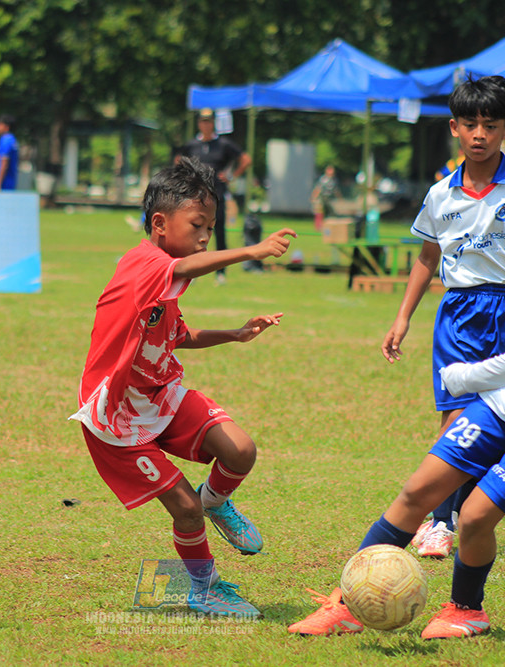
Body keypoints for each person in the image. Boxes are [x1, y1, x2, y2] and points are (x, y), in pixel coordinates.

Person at [290, 136, 505, 639]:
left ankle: (466, 609)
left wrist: (471, 377)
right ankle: (345, 603)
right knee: (418, 491)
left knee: (475, 516)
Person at [70, 157, 295, 618]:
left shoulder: (165, 274)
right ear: (159, 223)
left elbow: (179, 337)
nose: (205, 236)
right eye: (198, 224)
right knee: (184, 508)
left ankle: (218, 502)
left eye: (211, 227)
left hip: (159, 396)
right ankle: (203, 588)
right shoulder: (144, 265)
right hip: (117, 418)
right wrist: (250, 251)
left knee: (240, 451)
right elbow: (189, 267)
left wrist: (234, 334)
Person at [379, 75, 505, 560]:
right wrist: (403, 319)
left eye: (490, 124)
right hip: (460, 313)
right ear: (454, 128)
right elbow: (426, 258)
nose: (479, 134)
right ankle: (440, 522)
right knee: (456, 421)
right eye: (469, 124)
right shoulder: (440, 195)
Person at [174, 108, 252, 284]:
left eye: (209, 121)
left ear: (213, 123)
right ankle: (191, 269)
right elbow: (178, 161)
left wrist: (231, 175)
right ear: (199, 123)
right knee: (191, 231)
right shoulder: (192, 144)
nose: (205, 124)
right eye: (203, 121)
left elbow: (246, 159)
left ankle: (221, 272)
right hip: (195, 196)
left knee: (219, 231)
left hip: (216, 195)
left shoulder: (223, 144)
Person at [0, 114, 18, 192]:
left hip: (4, 183)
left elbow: (4, 162)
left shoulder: (6, 140)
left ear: (6, 127)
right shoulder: (11, 140)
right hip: (8, 182)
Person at [311, 165, 340, 231]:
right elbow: (318, 188)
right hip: (322, 198)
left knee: (330, 213)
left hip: (329, 199)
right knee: (319, 212)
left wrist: (339, 198)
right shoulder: (323, 179)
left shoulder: (334, 180)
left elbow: (336, 190)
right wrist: (314, 196)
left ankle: (328, 227)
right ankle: (318, 227)